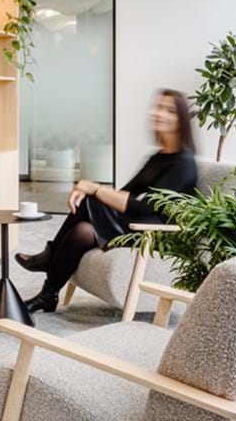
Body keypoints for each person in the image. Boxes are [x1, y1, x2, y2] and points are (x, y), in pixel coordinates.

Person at [16, 89, 198, 314]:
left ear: (181, 121)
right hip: (135, 223)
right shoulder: (159, 157)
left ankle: (49, 258)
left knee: (91, 200)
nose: (160, 113)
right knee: (82, 231)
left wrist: (92, 188)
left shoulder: (183, 163)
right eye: (159, 107)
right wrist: (95, 191)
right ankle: (48, 295)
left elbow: (144, 207)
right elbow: (125, 193)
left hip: (154, 233)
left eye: (169, 110)